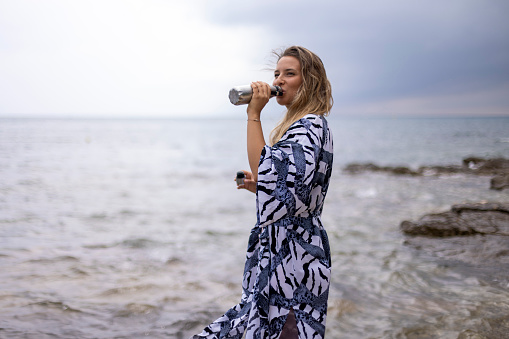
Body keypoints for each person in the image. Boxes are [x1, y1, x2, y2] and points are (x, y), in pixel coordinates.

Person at [192, 46, 334, 339]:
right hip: (291, 250)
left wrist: (253, 114)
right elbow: (295, 191)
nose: (279, 81)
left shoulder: (309, 127)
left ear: (310, 81)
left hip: (294, 257)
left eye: (289, 74)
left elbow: (265, 165)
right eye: (276, 74)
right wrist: (259, 186)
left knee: (284, 330)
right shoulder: (308, 126)